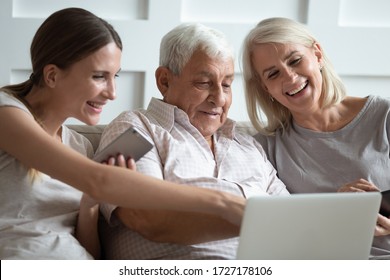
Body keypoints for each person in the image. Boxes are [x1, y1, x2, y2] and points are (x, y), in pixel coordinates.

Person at [0, 8, 246, 260]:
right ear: (52, 75)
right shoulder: (6, 113)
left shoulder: (80, 146)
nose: (112, 93)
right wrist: (222, 203)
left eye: (114, 76)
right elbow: (99, 179)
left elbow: (91, 250)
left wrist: (89, 205)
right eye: (99, 77)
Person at [97, 22, 289, 260]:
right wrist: (256, 219)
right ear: (164, 81)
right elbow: (145, 217)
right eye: (204, 83)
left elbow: (293, 221)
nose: (219, 98)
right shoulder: (132, 129)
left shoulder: (248, 146)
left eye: (227, 84)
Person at [241, 17, 390, 259]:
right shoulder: (264, 148)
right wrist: (333, 211)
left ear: (317, 54)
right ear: (264, 87)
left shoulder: (384, 117)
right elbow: (271, 232)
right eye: (273, 74)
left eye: (295, 60)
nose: (289, 78)